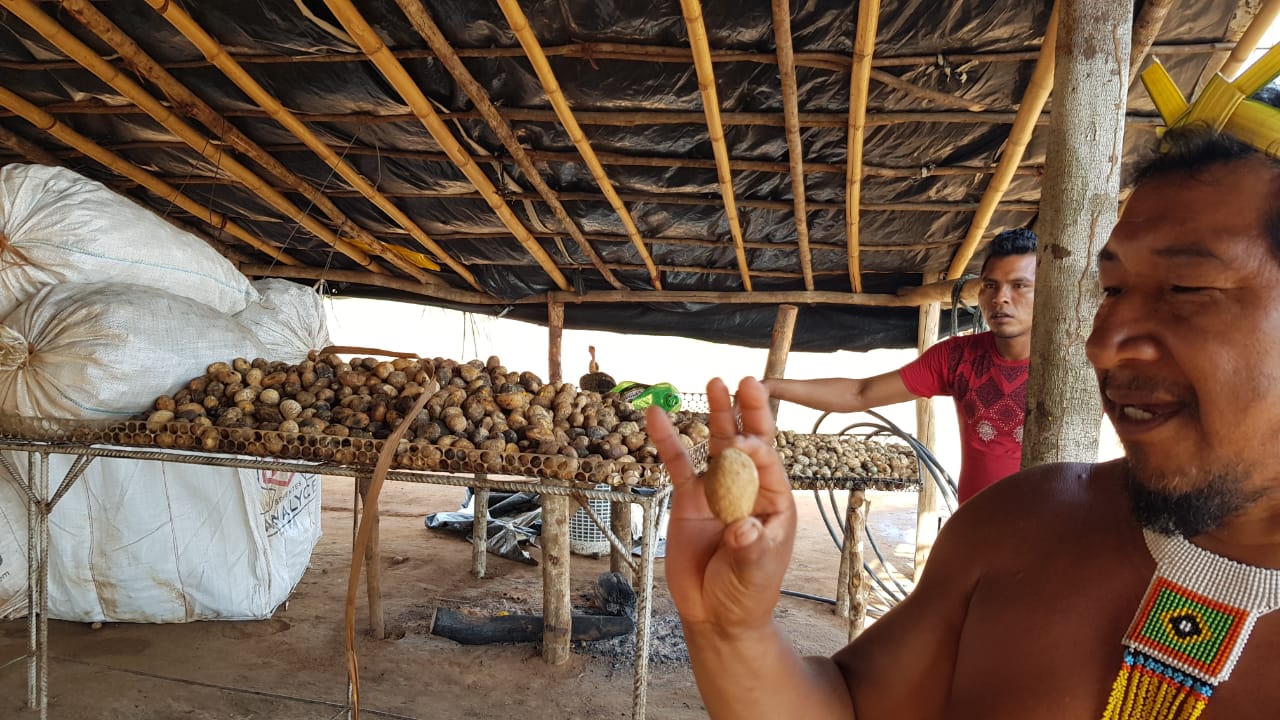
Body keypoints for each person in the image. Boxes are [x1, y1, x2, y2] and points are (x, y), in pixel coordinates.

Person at [646, 90, 1280, 717]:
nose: (1105, 345)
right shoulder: (1014, 526)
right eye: (1111, 289)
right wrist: (728, 632)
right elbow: (846, 709)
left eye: (1189, 287)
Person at [763, 227, 1038, 503]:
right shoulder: (957, 357)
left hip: (1055, 534)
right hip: (976, 529)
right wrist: (771, 387)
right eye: (990, 285)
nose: (1000, 297)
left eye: (1019, 285)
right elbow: (860, 392)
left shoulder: (1071, 369)